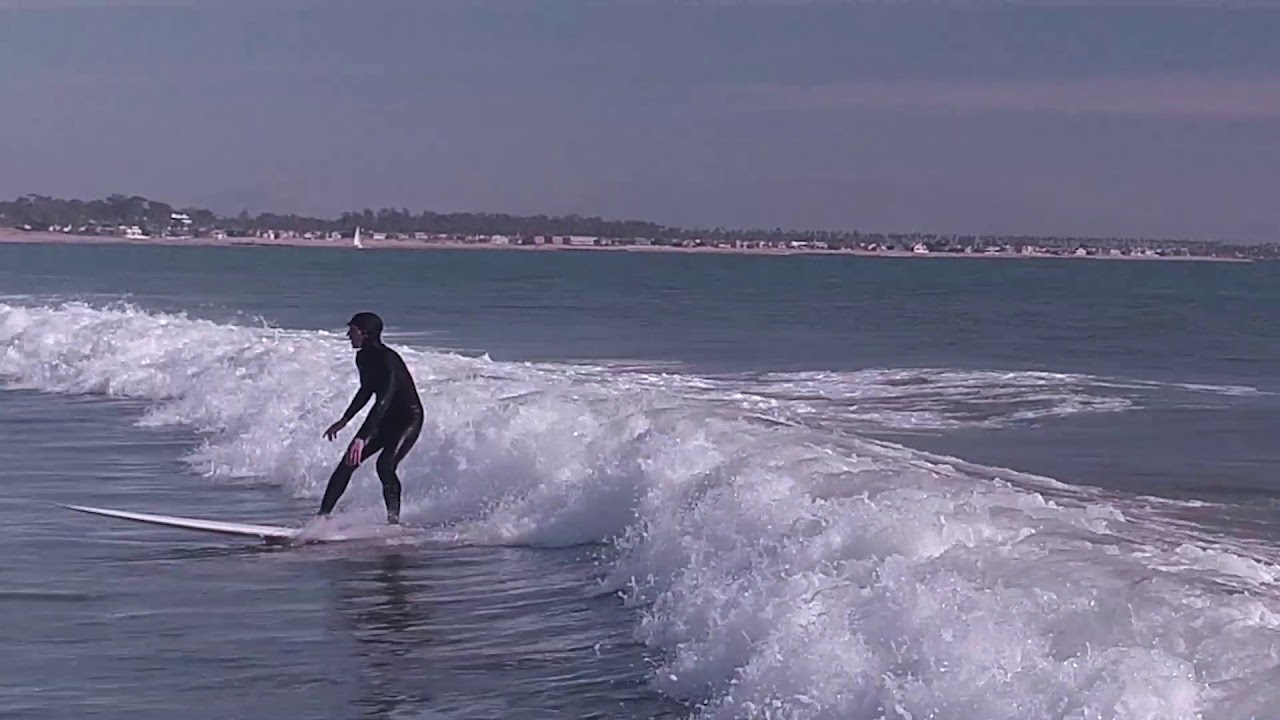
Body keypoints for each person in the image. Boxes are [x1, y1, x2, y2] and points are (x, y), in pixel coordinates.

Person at [318, 312, 423, 524]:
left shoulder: (388, 359)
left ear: (364, 333)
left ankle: (394, 521)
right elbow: (366, 391)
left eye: (352, 330)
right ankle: (321, 518)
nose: (348, 335)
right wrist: (345, 419)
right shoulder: (363, 357)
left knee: (385, 465)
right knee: (347, 463)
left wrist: (361, 437)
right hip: (384, 419)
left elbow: (383, 399)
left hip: (408, 419)